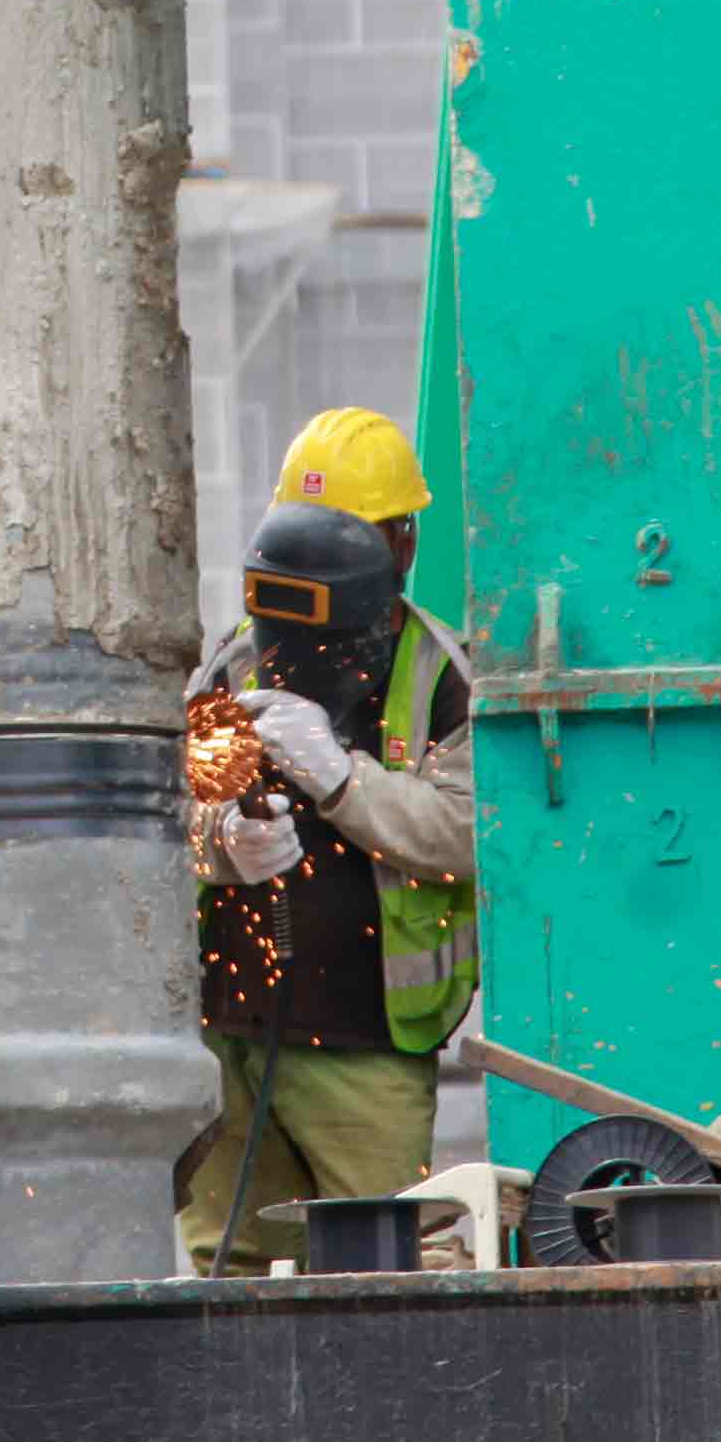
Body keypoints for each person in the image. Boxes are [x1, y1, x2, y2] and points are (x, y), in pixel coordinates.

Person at [181, 405, 480, 1269]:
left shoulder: (443, 676)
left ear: (401, 544)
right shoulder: (239, 660)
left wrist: (346, 783)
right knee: (226, 1267)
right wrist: (226, 843)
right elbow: (185, 810)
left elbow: (465, 832)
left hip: (366, 1043)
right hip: (229, 1034)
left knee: (385, 1263)